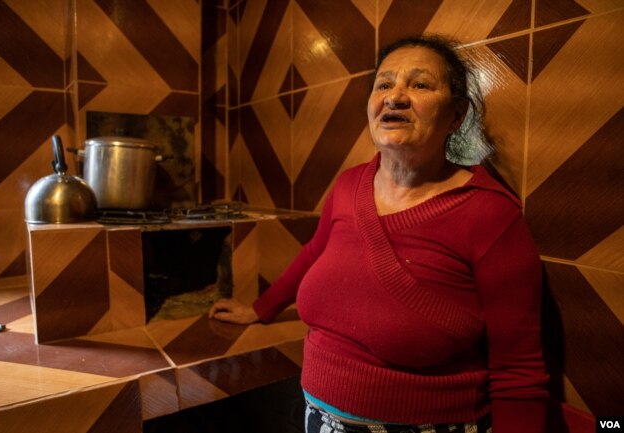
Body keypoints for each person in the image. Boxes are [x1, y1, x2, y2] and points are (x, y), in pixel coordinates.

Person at [209, 34, 549, 433]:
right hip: (318, 418)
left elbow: (518, 371)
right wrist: (260, 309)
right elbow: (315, 252)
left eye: (419, 84)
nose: (395, 97)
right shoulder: (349, 185)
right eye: (384, 84)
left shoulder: (491, 214)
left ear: (457, 115)